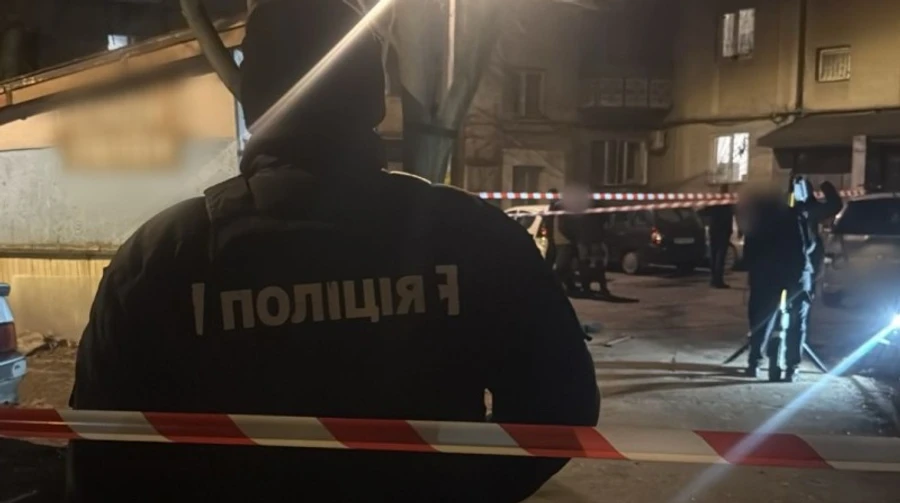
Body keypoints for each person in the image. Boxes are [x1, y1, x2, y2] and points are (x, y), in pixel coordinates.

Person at [66, 2, 600, 501]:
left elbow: (103, 460)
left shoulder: (161, 259)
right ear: (374, 94)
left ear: (252, 98)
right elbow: (560, 409)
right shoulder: (475, 238)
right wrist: (458, 486)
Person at [575, 203, 612, 298]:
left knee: (585, 264)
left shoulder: (579, 206)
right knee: (597, 264)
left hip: (584, 238)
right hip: (594, 238)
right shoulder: (598, 204)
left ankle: (586, 287)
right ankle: (601, 287)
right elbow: (606, 221)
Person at [707, 185, 734, 289]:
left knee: (714, 255)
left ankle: (713, 280)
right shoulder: (728, 202)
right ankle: (718, 280)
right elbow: (732, 214)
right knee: (720, 256)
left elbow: (705, 211)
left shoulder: (714, 201)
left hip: (714, 230)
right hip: (723, 231)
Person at [543, 188, 560, 268]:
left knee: (552, 254)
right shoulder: (552, 206)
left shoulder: (557, 206)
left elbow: (551, 219)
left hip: (556, 234)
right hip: (551, 234)